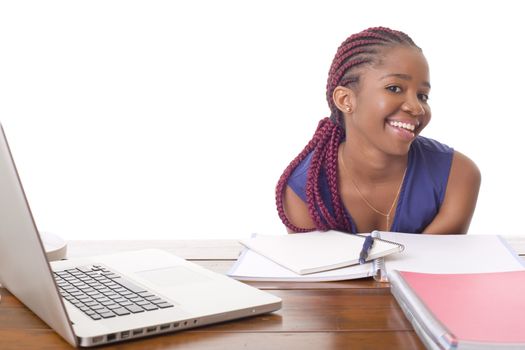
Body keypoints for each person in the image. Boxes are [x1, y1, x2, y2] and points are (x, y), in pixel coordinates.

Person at [275, 27, 480, 235]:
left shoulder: (457, 176)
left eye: (422, 96)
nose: (416, 107)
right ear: (345, 100)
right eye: (394, 88)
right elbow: (314, 266)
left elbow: (429, 264)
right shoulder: (305, 190)